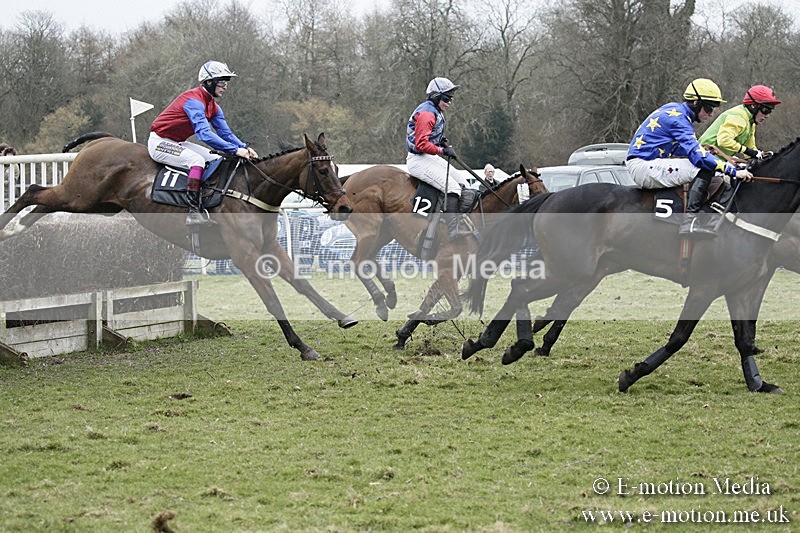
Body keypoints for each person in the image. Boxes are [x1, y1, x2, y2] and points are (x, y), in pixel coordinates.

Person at [625, 78, 753, 238]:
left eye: (713, 109)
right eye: (708, 108)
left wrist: (708, 153)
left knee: (709, 166)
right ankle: (690, 221)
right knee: (704, 167)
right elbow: (698, 157)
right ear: (695, 103)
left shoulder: (675, 110)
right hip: (643, 166)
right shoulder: (679, 120)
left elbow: (680, 148)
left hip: (646, 162)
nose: (710, 114)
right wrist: (732, 171)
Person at [148, 60, 258, 226]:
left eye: (226, 82)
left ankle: (208, 201)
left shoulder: (213, 106)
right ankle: (193, 212)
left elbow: (225, 133)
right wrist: (235, 150)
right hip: (160, 142)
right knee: (197, 161)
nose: (225, 86)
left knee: (215, 159)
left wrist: (243, 147)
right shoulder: (193, 101)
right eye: (221, 82)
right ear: (209, 82)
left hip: (178, 142)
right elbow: (205, 135)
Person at [406, 77, 472, 240]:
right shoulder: (427, 113)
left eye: (451, 99)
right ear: (435, 96)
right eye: (446, 98)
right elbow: (421, 144)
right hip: (418, 160)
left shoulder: (436, 111)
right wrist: (442, 150)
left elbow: (429, 138)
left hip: (427, 157)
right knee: (453, 188)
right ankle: (451, 230)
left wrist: (440, 141)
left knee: (463, 182)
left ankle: (458, 220)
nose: (449, 102)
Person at [698, 84, 781, 160]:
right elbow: (723, 140)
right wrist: (747, 151)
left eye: (770, 111)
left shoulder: (751, 122)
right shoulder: (739, 117)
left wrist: (761, 155)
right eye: (765, 110)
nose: (767, 115)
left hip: (715, 160)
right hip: (702, 157)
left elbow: (750, 149)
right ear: (753, 106)